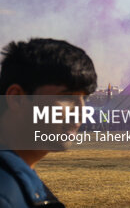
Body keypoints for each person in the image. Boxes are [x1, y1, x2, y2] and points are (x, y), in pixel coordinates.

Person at [0, 38, 97, 208]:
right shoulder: (6, 195)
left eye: (84, 98)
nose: (81, 112)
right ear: (17, 98)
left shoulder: (20, 182)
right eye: (67, 97)